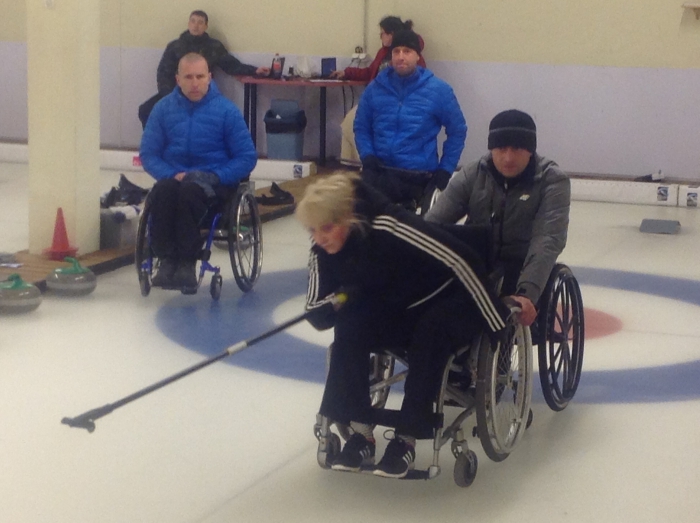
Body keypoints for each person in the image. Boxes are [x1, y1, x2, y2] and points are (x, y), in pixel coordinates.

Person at [296, 173, 510, 479]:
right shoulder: (321, 248)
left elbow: (461, 261)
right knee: (350, 324)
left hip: (447, 295)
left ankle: (406, 438)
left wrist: (497, 322)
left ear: (349, 217)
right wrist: (333, 304)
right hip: (399, 306)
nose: (320, 238)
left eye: (327, 228)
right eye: (313, 230)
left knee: (430, 332)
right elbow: (316, 309)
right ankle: (361, 433)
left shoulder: (389, 225)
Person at [425, 109, 571, 326]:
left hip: (522, 266)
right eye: (501, 149)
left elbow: (547, 239)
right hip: (475, 265)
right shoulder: (473, 174)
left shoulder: (552, 181)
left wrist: (527, 292)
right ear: (492, 148)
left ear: (530, 150)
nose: (508, 158)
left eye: (517, 149)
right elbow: (432, 224)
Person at [140, 53, 257, 294]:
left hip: (214, 183)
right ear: (178, 79)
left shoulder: (227, 111)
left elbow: (246, 157)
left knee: (190, 192)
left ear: (209, 78)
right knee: (163, 191)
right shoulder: (162, 110)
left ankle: (186, 262)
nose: (195, 83)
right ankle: (166, 259)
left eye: (200, 77)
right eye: (188, 77)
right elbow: (149, 154)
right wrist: (172, 174)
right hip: (175, 178)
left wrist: (215, 176)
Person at [353, 29, 467, 207]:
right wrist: (367, 156)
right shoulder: (374, 88)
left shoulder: (439, 90)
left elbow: (457, 130)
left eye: (407, 51)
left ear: (417, 56)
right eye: (396, 51)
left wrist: (445, 171)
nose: (401, 57)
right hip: (379, 171)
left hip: (418, 177)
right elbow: (361, 127)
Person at [138, 10, 270, 128]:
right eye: (193, 21)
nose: (196, 25)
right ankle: (156, 144)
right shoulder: (175, 46)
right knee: (145, 110)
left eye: (200, 22)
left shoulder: (213, 46)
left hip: (203, 94)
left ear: (206, 26)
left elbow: (232, 65)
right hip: (175, 93)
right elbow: (163, 73)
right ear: (188, 23)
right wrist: (169, 98)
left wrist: (255, 71)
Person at [330, 16, 426, 166]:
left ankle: (365, 163)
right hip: (377, 100)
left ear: (392, 34)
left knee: (354, 123)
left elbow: (416, 82)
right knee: (348, 123)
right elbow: (370, 72)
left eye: (383, 33)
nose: (381, 37)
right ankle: (349, 165)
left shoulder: (412, 57)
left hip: (395, 104)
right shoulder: (383, 52)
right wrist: (347, 72)